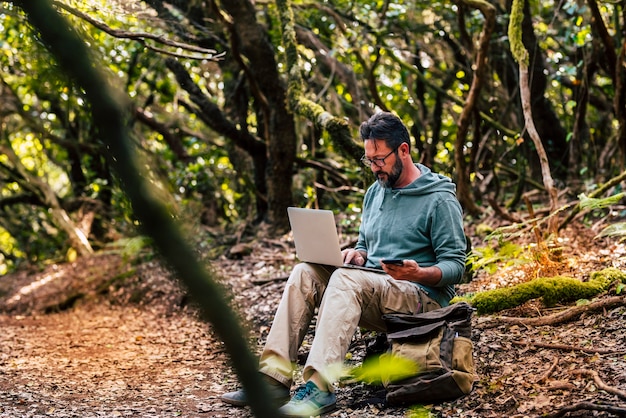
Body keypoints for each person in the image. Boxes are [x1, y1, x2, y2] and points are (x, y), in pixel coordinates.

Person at [221, 111, 467, 417]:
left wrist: (418, 272)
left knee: (346, 280)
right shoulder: (375, 193)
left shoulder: (438, 198)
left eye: (381, 159)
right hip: (375, 288)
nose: (375, 167)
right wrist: (358, 254)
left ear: (403, 150)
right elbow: (366, 243)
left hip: (422, 299)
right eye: (369, 160)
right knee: (305, 272)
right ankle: (272, 378)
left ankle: (319, 388)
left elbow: (457, 267)